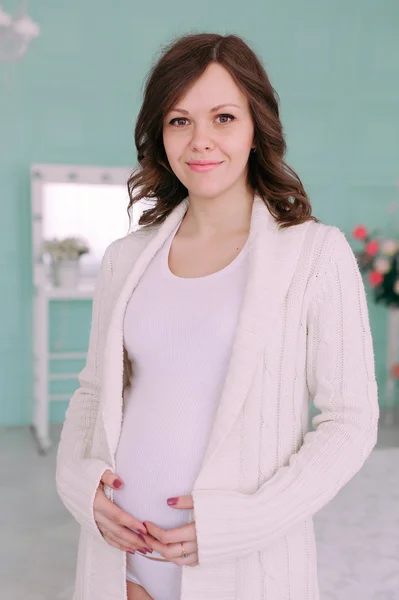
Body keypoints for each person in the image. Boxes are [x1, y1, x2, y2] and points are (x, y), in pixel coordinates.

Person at [55, 32, 379, 600]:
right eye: (179, 121)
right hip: (120, 563)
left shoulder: (315, 257)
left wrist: (242, 524)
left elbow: (350, 422)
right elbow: (92, 393)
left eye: (223, 117)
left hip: (242, 566)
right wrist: (81, 492)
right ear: (160, 133)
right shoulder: (125, 259)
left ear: (257, 127)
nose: (201, 140)